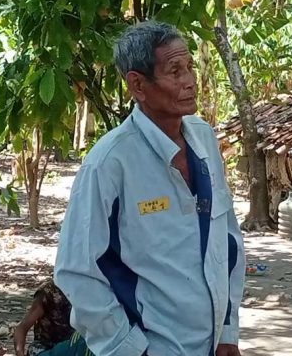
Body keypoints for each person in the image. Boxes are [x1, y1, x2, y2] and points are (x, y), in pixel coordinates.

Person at [54, 21, 245, 356]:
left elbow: (227, 239)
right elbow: (76, 270)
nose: (190, 82)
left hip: (212, 345)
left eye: (189, 68)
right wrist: (128, 349)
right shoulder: (110, 163)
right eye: (175, 71)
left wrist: (227, 331)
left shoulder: (203, 139)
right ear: (138, 85)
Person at [13, 278, 91, 356]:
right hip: (46, 348)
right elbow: (22, 328)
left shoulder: (90, 290)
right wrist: (19, 352)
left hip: (73, 346)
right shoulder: (49, 291)